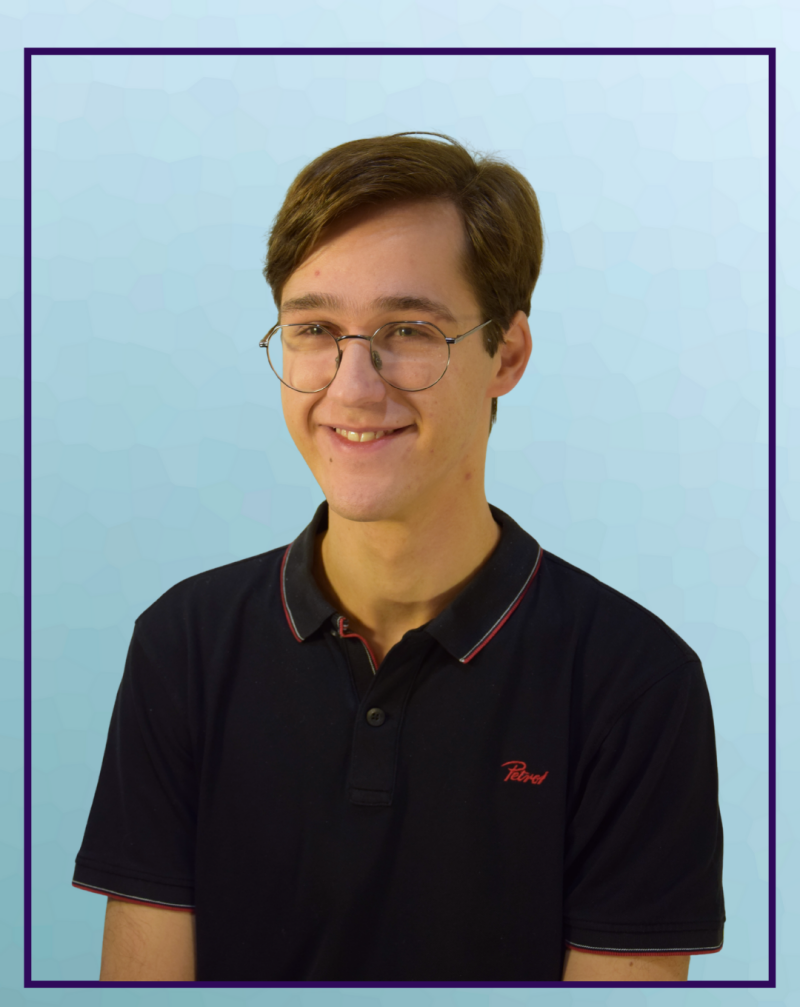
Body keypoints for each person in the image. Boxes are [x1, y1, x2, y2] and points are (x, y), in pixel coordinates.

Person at [73, 132, 725, 982]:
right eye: (315, 329)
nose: (352, 386)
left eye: (409, 329)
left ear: (507, 354)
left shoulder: (635, 686)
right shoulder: (184, 646)